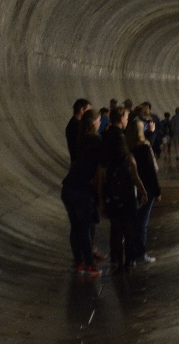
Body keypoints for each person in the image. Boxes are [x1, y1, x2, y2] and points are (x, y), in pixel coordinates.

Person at [99, 106, 148, 273]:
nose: (127, 120)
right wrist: (143, 191)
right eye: (126, 117)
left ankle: (118, 262)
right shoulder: (121, 140)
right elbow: (133, 171)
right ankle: (128, 261)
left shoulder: (105, 137)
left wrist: (101, 198)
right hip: (125, 192)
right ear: (121, 119)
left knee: (115, 229)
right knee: (127, 229)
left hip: (111, 191)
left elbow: (101, 169)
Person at [61, 109, 103, 277]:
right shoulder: (97, 141)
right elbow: (99, 171)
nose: (100, 122)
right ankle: (90, 265)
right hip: (82, 190)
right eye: (99, 120)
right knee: (85, 229)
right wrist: (100, 197)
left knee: (75, 228)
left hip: (68, 188)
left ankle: (79, 262)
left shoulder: (82, 140)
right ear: (94, 122)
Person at [126, 118, 161, 264]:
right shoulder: (144, 148)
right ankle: (140, 254)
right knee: (142, 222)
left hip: (132, 188)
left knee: (133, 221)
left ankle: (131, 254)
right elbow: (150, 172)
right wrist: (157, 191)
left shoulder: (127, 147)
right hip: (146, 188)